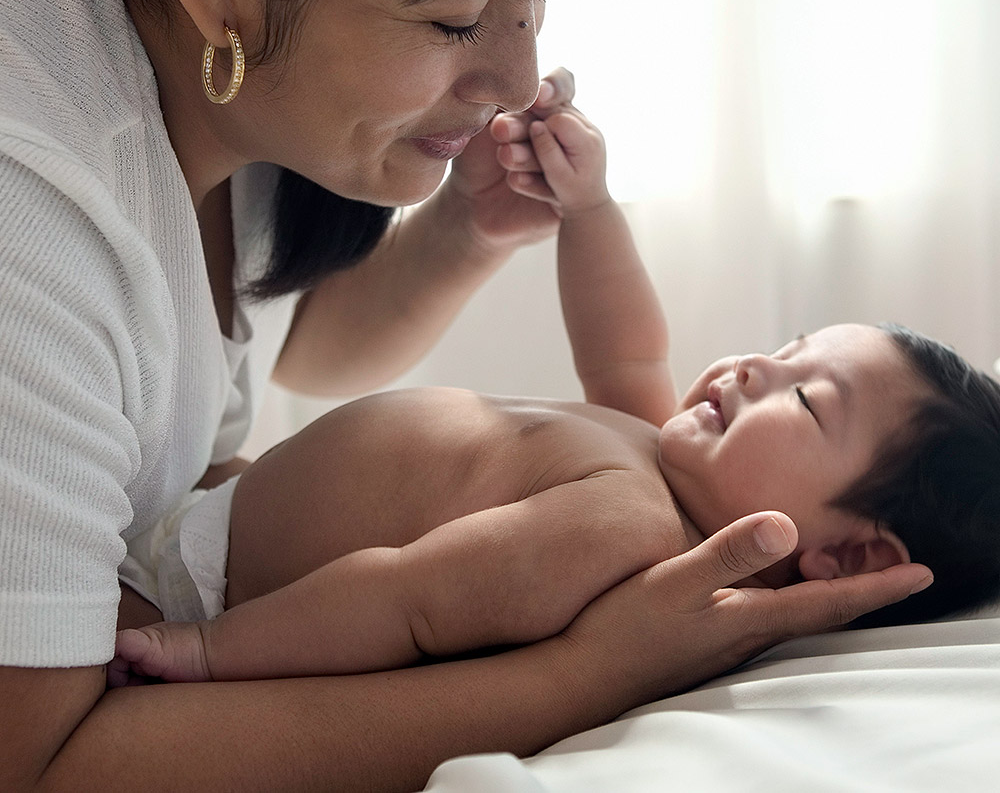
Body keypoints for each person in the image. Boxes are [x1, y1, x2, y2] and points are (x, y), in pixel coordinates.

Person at [0, 0, 933, 791]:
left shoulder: (239, 76)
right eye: (456, 18)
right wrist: (590, 673)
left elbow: (276, 358)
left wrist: (467, 233)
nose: (523, 80)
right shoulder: (26, 201)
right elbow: (34, 763)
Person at [111, 99, 998, 687]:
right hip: (214, 512)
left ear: (846, 558)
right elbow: (626, 350)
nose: (755, 368)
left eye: (806, 401)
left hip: (208, 596)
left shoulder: (632, 532)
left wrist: (208, 648)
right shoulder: (662, 457)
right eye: (784, 349)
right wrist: (591, 207)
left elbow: (406, 602)